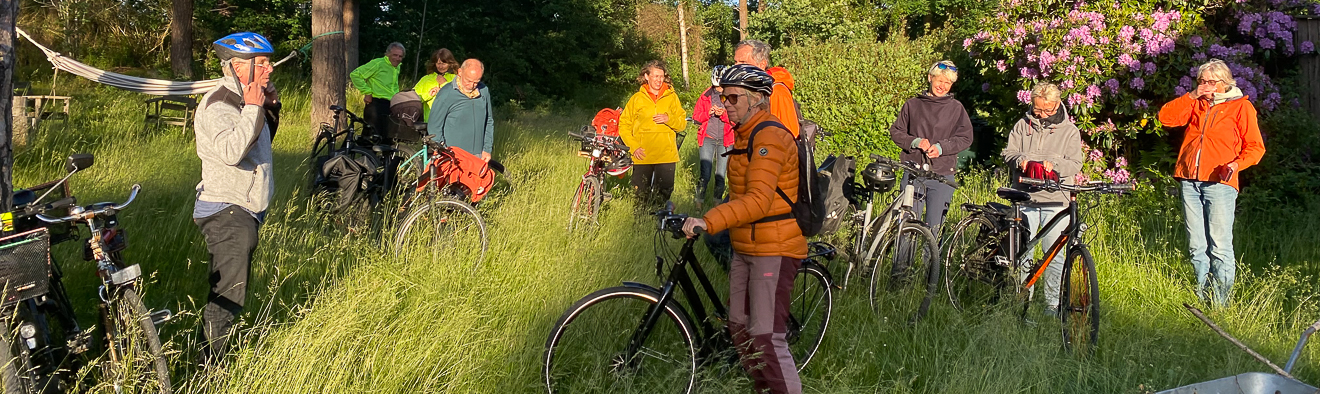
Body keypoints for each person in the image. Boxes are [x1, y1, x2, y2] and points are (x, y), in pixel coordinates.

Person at [682, 64, 806, 394]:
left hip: (774, 248)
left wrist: (707, 221)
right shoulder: (744, 133)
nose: (726, 104)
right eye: (723, 97)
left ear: (756, 99)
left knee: (766, 337)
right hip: (746, 245)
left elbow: (758, 201)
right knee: (738, 327)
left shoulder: (769, 136)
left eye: (733, 97)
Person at [193, 32, 281, 364]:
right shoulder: (220, 104)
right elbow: (232, 151)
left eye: (268, 61)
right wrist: (254, 107)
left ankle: (212, 359)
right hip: (227, 209)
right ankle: (212, 371)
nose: (270, 68)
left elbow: (259, 143)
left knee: (230, 288)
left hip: (242, 206)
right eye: (262, 63)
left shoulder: (244, 98)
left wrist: (268, 107)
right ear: (238, 67)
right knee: (228, 295)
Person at [1158, 59, 1266, 307]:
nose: (1205, 86)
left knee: (1219, 245)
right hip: (1189, 179)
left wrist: (1236, 165)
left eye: (1210, 82)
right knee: (1197, 245)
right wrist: (1193, 95)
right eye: (1201, 81)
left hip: (1220, 183)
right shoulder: (1196, 103)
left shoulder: (1241, 107)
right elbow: (1166, 117)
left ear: (1224, 83)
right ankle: (1200, 298)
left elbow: (1256, 148)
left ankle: (1220, 305)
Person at [1001, 82, 1083, 316]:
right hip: (1025, 199)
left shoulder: (1070, 131)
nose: (1042, 114)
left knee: (1053, 256)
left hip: (1057, 201)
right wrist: (1021, 161)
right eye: (1038, 109)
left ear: (1057, 104)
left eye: (1047, 110)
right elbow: (1008, 152)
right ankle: (1023, 302)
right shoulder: (1021, 125)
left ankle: (1052, 306)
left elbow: (1076, 163)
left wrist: (1054, 166)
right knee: (1024, 253)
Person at [888, 60, 974, 234]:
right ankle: (903, 262)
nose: (942, 86)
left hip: (942, 176)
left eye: (947, 83)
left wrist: (941, 148)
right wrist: (916, 142)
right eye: (939, 80)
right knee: (906, 227)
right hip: (913, 172)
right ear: (930, 78)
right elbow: (896, 132)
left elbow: (965, 138)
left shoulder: (957, 108)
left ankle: (930, 262)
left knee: (934, 230)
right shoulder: (912, 104)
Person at [617, 60, 687, 206]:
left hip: (666, 155)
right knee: (640, 194)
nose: (659, 80)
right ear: (646, 76)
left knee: (664, 194)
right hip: (643, 154)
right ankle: (640, 224)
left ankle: (658, 224)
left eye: (661, 76)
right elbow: (624, 125)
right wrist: (633, 146)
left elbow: (682, 124)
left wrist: (669, 119)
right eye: (655, 76)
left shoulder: (672, 97)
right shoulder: (636, 99)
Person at [427, 59, 495, 162]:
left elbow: (489, 120)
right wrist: (443, 151)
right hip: (452, 157)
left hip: (478, 156)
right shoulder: (446, 93)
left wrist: (487, 149)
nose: (472, 85)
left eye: (476, 82)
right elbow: (434, 126)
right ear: (460, 72)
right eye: (468, 81)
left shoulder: (484, 91)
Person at [733, 39, 800, 138]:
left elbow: (789, 135)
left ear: (762, 65)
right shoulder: (749, 89)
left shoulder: (777, 91)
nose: (736, 67)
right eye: (735, 62)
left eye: (743, 62)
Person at [692, 66, 732, 209]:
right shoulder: (706, 95)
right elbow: (696, 117)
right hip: (708, 137)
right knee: (705, 173)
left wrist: (724, 114)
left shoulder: (732, 96)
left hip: (725, 139)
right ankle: (699, 202)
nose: (719, 89)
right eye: (717, 86)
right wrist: (708, 113)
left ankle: (717, 202)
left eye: (722, 86)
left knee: (721, 174)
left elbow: (736, 119)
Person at [350, 42, 405, 136]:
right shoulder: (378, 63)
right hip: (376, 104)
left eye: (400, 56)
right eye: (395, 55)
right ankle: (346, 150)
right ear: (387, 54)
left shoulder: (397, 67)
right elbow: (355, 75)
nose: (397, 58)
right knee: (372, 136)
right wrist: (367, 92)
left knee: (388, 137)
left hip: (390, 105)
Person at [414, 48, 459, 121]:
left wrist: (444, 84)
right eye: (438, 63)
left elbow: (459, 98)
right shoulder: (426, 79)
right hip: (429, 122)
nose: (440, 66)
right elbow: (414, 99)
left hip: (450, 122)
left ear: (450, 63)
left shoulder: (456, 79)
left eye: (444, 64)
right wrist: (429, 95)